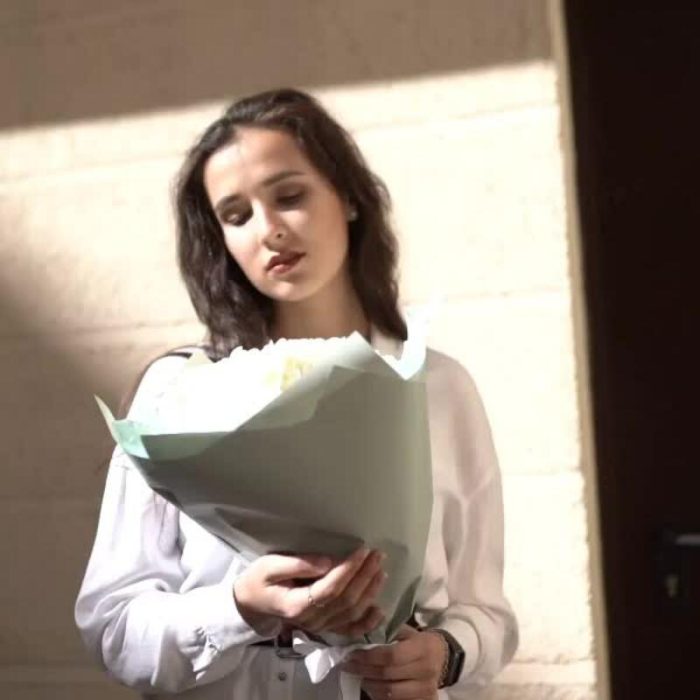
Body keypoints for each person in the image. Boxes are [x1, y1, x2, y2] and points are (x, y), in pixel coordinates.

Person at [75, 88, 518, 700]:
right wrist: (240, 608)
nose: (270, 229)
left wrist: (444, 655)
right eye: (237, 216)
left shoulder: (437, 387)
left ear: (350, 198)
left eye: (289, 196)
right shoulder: (176, 392)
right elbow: (114, 626)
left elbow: (486, 613)